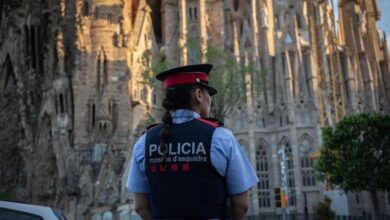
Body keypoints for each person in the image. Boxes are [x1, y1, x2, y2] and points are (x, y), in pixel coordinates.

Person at [127, 64, 258, 220]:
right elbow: (241, 205)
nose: (211, 101)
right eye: (209, 94)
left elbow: (140, 206)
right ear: (199, 95)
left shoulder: (145, 142)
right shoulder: (220, 138)